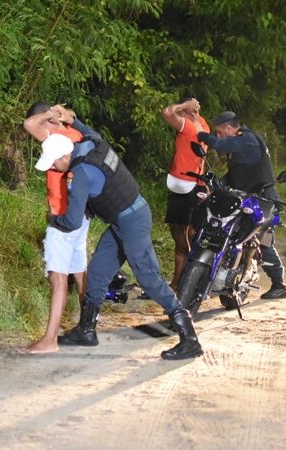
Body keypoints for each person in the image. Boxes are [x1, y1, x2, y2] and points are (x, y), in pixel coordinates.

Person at [33, 107, 203, 360]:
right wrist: (74, 120)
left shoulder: (79, 174)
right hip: (123, 218)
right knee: (99, 271)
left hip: (133, 221)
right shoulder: (92, 145)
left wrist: (53, 218)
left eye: (55, 163)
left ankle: (189, 338)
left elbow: (70, 221)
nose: (54, 168)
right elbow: (92, 132)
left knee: (148, 277)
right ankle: (86, 330)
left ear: (65, 156)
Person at [21, 102, 89, 354]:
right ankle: (88, 326)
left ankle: (50, 341)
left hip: (61, 216)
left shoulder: (55, 137)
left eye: (43, 120)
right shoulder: (76, 135)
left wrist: (51, 114)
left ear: (47, 121)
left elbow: (30, 125)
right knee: (80, 272)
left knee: (58, 278)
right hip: (81, 215)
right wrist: (67, 116)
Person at [197, 111, 286, 299]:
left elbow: (219, 144)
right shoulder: (238, 146)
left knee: (262, 239)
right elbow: (235, 174)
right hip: (245, 196)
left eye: (219, 131)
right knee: (228, 230)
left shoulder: (247, 139)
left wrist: (202, 135)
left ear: (229, 128)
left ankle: (279, 285)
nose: (218, 135)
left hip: (264, 198)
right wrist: (215, 187)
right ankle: (224, 270)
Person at [160, 97, 210, 292]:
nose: (197, 105)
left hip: (191, 183)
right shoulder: (192, 124)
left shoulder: (195, 124)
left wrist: (185, 106)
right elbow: (168, 113)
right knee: (183, 236)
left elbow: (167, 112)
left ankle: (189, 280)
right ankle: (178, 282)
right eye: (193, 104)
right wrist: (185, 107)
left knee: (187, 237)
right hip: (187, 182)